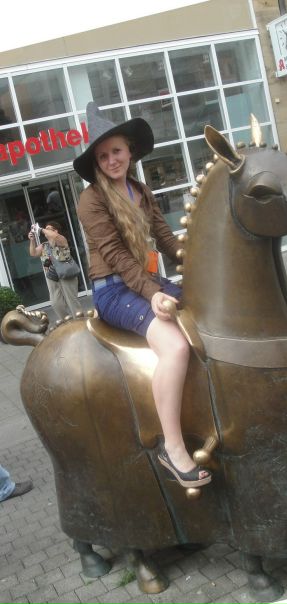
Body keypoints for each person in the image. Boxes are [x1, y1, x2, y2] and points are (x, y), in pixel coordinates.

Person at [73, 102, 211, 489]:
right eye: (103, 156)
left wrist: (201, 264)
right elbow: (117, 255)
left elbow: (166, 240)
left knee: (208, 307)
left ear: (129, 151)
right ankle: (172, 448)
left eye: (116, 151)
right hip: (113, 289)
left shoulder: (140, 190)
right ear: (96, 163)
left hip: (143, 280)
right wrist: (152, 293)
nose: (111, 160)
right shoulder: (91, 200)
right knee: (175, 346)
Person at [28, 221, 83, 320]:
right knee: (56, 303)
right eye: (45, 229)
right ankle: (67, 322)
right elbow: (33, 253)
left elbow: (55, 237)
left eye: (48, 229)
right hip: (52, 276)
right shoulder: (44, 245)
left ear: (56, 231)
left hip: (66, 274)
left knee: (72, 301)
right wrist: (32, 240)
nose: (45, 231)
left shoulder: (61, 239)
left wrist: (40, 229)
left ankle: (80, 322)